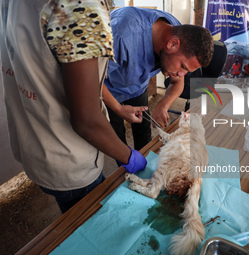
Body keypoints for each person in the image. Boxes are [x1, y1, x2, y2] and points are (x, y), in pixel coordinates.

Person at [0, 0, 147, 213]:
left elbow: (71, 72)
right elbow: (86, 121)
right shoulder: (84, 7)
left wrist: (116, 107)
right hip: (69, 158)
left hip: (34, 145)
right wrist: (129, 157)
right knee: (94, 228)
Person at [103, 7, 214, 151]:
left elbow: (177, 82)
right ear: (172, 44)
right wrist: (118, 108)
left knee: (143, 129)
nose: (182, 74)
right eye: (183, 66)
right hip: (107, 87)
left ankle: (144, 165)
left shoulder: (176, 31)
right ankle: (124, 169)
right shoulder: (120, 36)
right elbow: (92, 81)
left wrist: (163, 105)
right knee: (115, 136)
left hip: (137, 86)